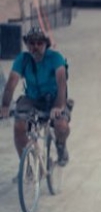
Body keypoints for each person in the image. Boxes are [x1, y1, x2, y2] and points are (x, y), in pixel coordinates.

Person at [0, 27, 71, 165]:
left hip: (55, 98)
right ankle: (27, 167)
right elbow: (11, 83)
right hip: (32, 99)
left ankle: (61, 146)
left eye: (40, 43)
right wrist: (5, 105)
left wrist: (58, 105)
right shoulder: (23, 59)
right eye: (32, 44)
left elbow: (61, 82)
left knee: (61, 126)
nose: (36, 47)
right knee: (19, 126)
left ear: (46, 44)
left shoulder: (55, 58)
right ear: (27, 45)